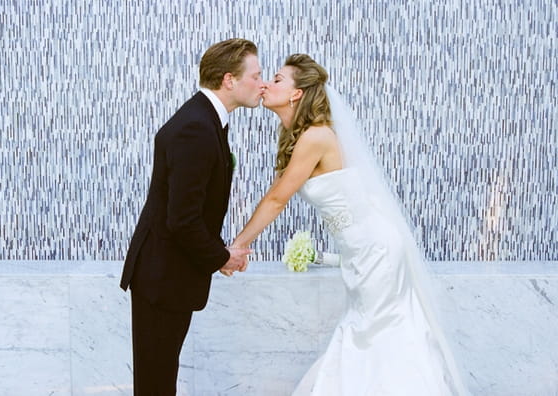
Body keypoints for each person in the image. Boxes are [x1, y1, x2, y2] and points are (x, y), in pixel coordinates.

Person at [231, 54, 469, 395]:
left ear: (297, 93)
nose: (267, 83)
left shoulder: (315, 136)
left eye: (278, 79)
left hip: (377, 252)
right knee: (370, 331)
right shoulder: (300, 137)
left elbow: (276, 199)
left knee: (377, 332)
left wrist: (237, 246)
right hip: (362, 252)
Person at [119, 38, 263, 395]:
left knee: (158, 380)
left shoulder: (203, 119)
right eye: (256, 75)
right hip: (162, 277)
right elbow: (182, 219)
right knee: (155, 384)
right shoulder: (197, 127)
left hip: (167, 275)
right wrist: (221, 256)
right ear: (229, 80)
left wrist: (218, 254)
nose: (261, 84)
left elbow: (192, 209)